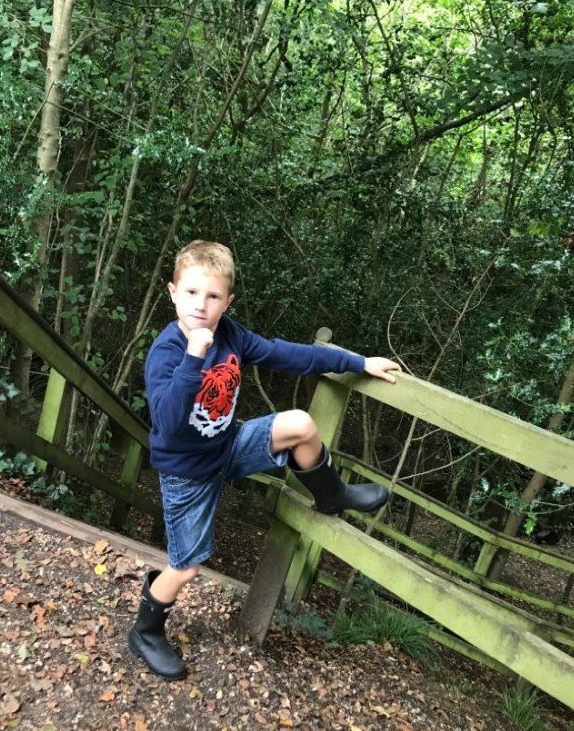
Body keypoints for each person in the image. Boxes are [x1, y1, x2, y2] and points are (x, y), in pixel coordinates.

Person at [128, 241, 401, 680]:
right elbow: (169, 422)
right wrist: (194, 357)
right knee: (186, 567)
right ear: (173, 292)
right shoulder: (167, 351)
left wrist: (357, 361)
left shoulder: (232, 334)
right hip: (187, 474)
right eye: (192, 292)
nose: (201, 305)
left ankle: (331, 494)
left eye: (213, 296)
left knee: (300, 424)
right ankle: (145, 632)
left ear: (227, 302)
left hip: (227, 447)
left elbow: (287, 354)